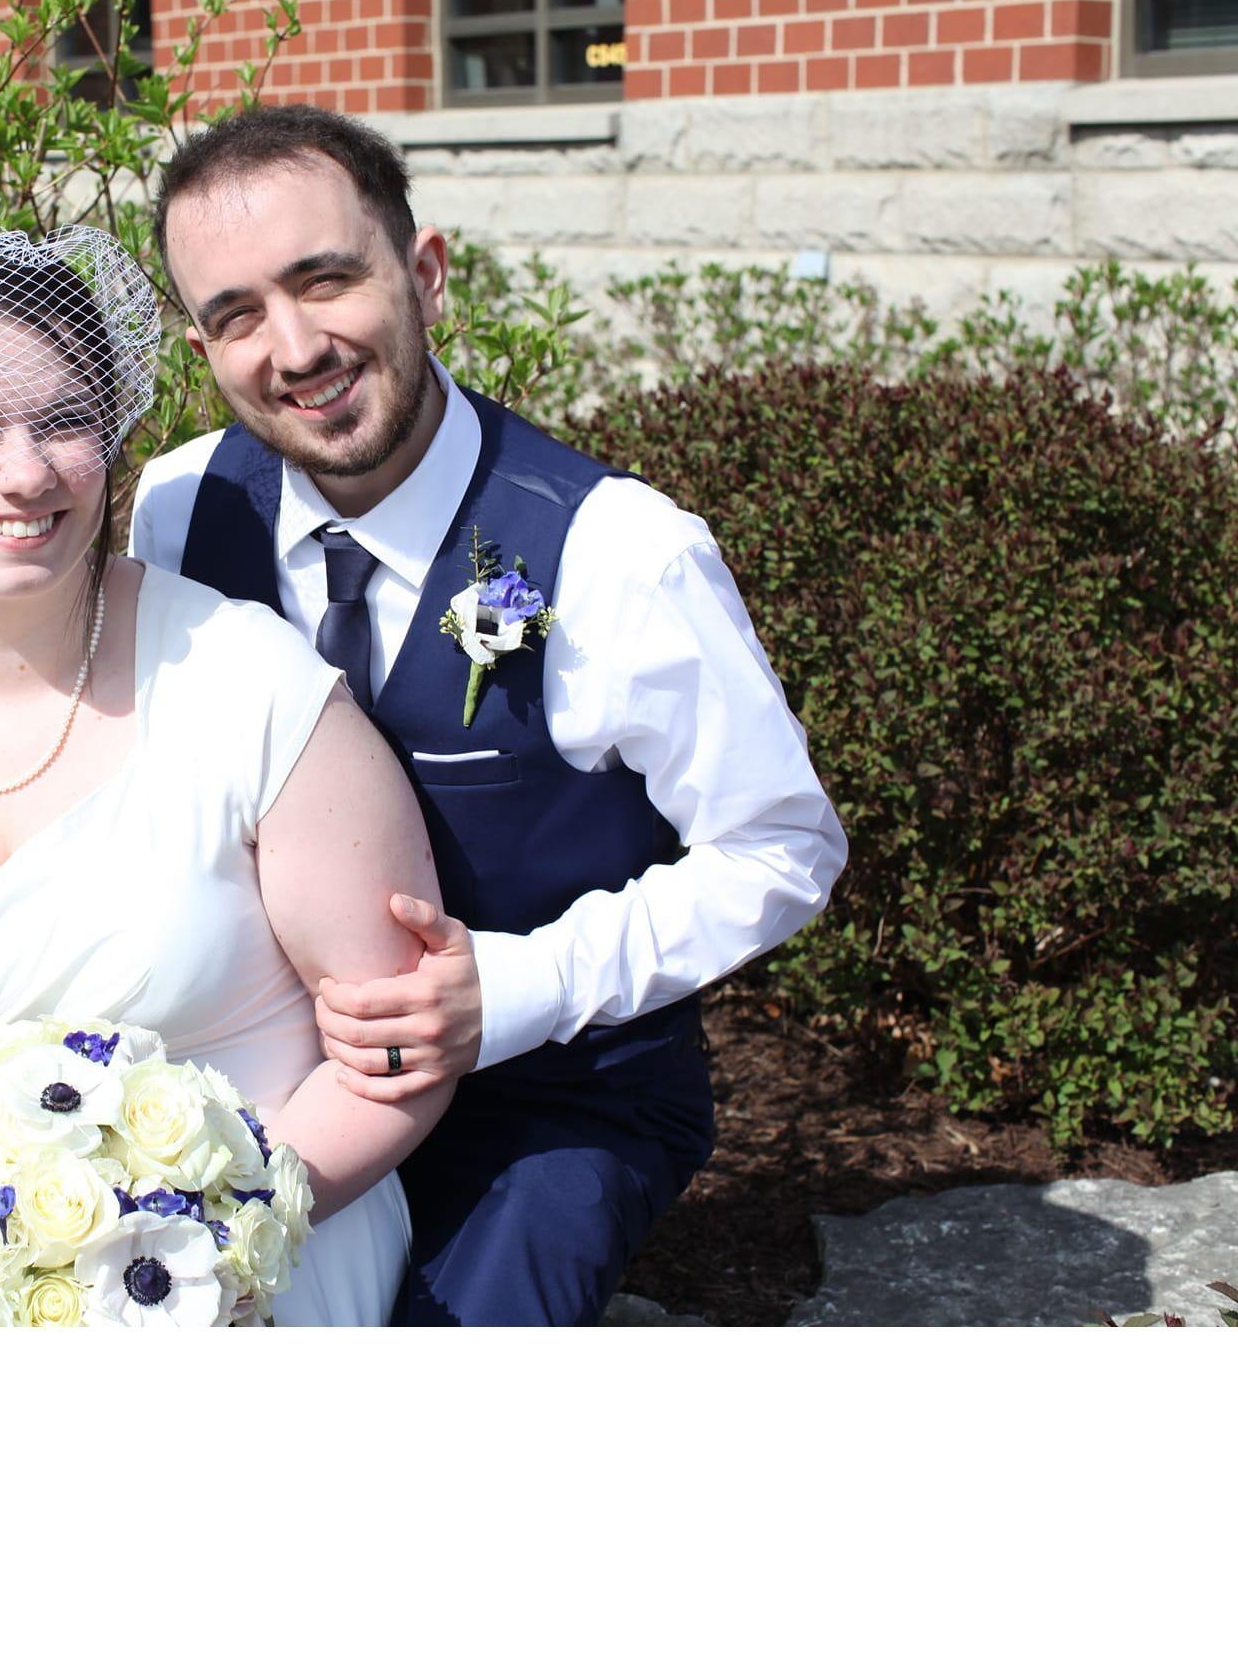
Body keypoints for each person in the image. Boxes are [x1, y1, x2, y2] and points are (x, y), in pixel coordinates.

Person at [130, 103, 848, 1327]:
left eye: (324, 280)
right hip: (270, 1084)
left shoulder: (620, 551)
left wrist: (515, 989)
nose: (292, 346)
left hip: (553, 1104)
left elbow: (783, 849)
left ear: (422, 272)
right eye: (235, 314)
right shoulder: (178, 512)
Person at [0, 226, 454, 1326]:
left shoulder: (250, 689)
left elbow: (392, 1054)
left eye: (65, 422)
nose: (22, 472)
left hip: (265, 1277)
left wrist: (204, 1237)